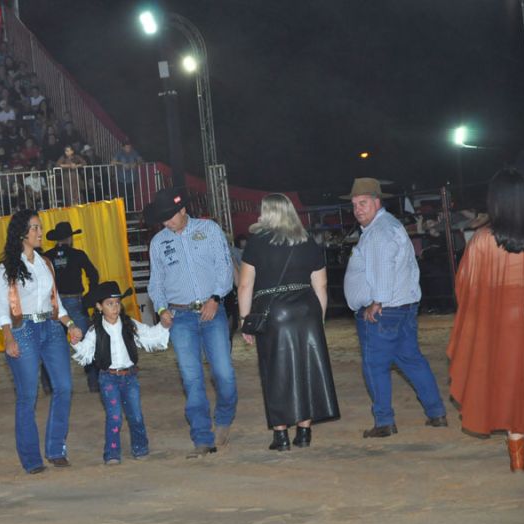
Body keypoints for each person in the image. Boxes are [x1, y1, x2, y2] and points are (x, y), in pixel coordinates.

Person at [343, 178, 447, 438]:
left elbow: (383, 268)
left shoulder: (378, 232)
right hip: (402, 307)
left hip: (383, 311)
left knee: (375, 366)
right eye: (354, 205)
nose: (357, 209)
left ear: (377, 202)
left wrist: (377, 301)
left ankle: (384, 421)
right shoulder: (389, 225)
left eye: (363, 203)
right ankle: (436, 412)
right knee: (411, 360)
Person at [237, 194, 340, 450]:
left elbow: (245, 285)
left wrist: (245, 319)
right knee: (307, 369)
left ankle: (281, 435)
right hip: (307, 311)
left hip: (274, 314)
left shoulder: (256, 242)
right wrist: (319, 318)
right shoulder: (308, 241)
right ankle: (304, 432)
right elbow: (321, 285)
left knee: (275, 372)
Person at [145, 187, 237, 458]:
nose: (166, 222)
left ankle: (224, 418)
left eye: (170, 216)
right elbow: (156, 282)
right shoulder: (158, 243)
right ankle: (202, 436)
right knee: (191, 378)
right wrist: (161, 308)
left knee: (224, 374)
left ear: (183, 209)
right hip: (180, 316)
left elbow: (224, 267)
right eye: (162, 219)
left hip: (213, 311)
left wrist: (216, 298)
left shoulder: (209, 230)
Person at [447, 168, 524, 472]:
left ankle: (517, 456)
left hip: (500, 327)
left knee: (508, 383)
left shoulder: (482, 240)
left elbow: (465, 287)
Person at [0, 209, 83, 474]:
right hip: (23, 330)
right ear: (22, 233)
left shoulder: (46, 263)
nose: (40, 232)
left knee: (64, 387)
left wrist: (70, 324)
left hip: (52, 328)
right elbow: (2, 308)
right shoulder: (7, 267)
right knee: (28, 395)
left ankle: (56, 449)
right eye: (35, 228)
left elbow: (56, 301)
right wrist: (8, 338)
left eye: (40, 227)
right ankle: (31, 459)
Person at [70, 281, 170, 465]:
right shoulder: (95, 330)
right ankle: (112, 453)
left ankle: (140, 447)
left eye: (117, 303)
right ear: (99, 307)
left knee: (136, 415)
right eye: (110, 304)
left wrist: (163, 326)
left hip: (130, 376)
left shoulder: (129, 324)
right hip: (108, 378)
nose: (115, 307)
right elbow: (86, 351)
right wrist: (76, 342)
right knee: (114, 417)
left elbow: (149, 335)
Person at [44, 221, 100, 392]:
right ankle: (93, 381)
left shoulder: (47, 257)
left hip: (54, 305)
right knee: (86, 342)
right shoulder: (77, 254)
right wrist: (90, 297)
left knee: (52, 344)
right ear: (70, 238)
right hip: (75, 301)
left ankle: (48, 383)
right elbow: (93, 274)